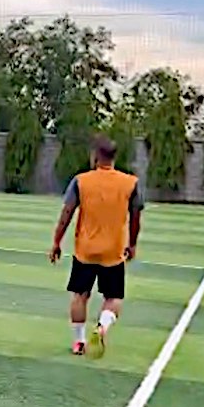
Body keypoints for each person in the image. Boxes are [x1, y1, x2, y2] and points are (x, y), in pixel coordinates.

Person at [50, 134, 143, 357]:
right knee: (113, 298)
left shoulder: (81, 181)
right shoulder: (130, 183)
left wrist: (56, 242)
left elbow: (67, 213)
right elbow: (136, 216)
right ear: (114, 157)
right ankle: (102, 325)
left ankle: (79, 342)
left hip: (85, 251)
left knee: (80, 295)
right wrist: (132, 244)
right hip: (113, 251)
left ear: (95, 156)